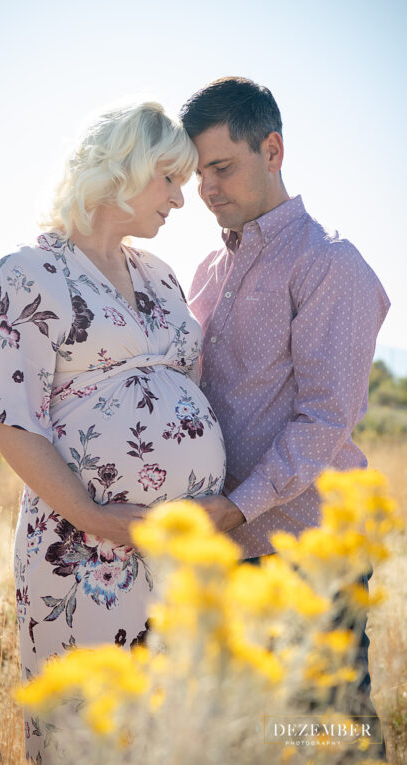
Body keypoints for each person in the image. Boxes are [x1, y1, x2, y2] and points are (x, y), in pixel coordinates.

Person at [0, 102, 231, 764]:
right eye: (170, 180)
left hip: (179, 550)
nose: (181, 201)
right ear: (125, 170)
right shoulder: (29, 271)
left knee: (175, 730)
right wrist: (96, 515)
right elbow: (5, 413)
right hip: (85, 547)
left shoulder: (160, 276)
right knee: (96, 731)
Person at [180, 76, 389, 751]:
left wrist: (235, 507)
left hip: (304, 549)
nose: (208, 188)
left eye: (223, 167)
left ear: (272, 149)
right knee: (250, 737)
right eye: (199, 172)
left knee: (327, 731)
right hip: (226, 548)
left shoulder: (330, 263)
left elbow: (325, 419)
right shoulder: (210, 267)